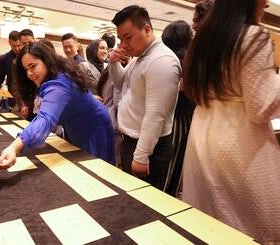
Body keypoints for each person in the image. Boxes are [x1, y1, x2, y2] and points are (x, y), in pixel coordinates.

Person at [182, 0, 279, 243]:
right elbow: (262, 107)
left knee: (213, 220)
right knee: (249, 225)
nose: (266, 2)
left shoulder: (203, 37)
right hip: (240, 140)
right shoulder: (253, 36)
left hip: (203, 134)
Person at [0, 42, 115, 168]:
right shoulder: (52, 76)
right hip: (77, 125)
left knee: (96, 169)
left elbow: (45, 118)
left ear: (46, 61)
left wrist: (14, 147)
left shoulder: (58, 85)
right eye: (26, 69)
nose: (29, 73)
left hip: (93, 126)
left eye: (33, 66)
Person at [109, 5, 181, 189]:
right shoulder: (141, 57)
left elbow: (156, 115)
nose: (124, 44)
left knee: (146, 208)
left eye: (128, 37)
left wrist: (141, 155)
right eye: (121, 39)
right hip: (133, 142)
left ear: (147, 29)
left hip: (149, 148)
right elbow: (121, 84)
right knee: (132, 201)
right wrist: (113, 62)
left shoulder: (162, 60)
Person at [161, 20, 194, 196]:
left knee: (172, 160)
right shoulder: (185, 58)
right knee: (176, 161)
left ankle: (166, 195)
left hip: (174, 113)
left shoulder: (166, 56)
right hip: (182, 114)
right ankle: (168, 195)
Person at [0, 31, 22, 111]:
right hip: (13, 98)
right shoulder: (4, 58)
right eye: (14, 46)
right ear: (9, 42)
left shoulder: (26, 56)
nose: (17, 48)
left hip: (27, 98)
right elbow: (0, 77)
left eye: (18, 45)